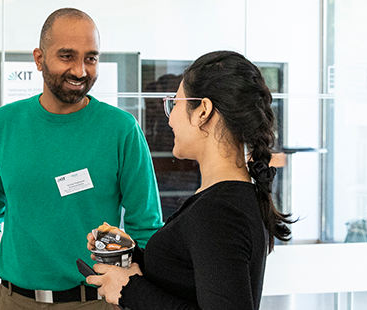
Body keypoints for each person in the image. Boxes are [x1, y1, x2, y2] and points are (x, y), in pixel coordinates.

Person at [0, 7, 164, 309]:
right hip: (12, 300)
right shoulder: (1, 125)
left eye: (91, 58)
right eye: (67, 56)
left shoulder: (121, 130)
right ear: (39, 58)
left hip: (95, 302)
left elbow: (147, 228)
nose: (80, 70)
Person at [84, 51, 294, 309]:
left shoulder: (219, 212)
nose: (170, 118)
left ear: (202, 111)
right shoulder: (222, 200)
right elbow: (185, 277)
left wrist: (129, 289)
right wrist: (130, 253)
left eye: (176, 103)